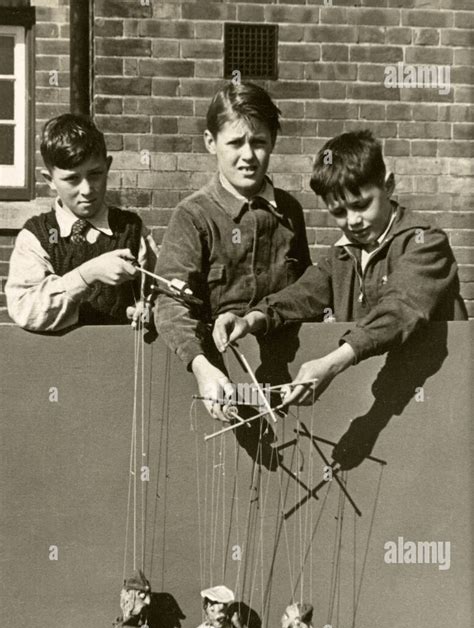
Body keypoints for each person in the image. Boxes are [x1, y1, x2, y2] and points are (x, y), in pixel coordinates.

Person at [213, 130, 467, 406]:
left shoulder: (425, 242)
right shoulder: (343, 254)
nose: (353, 220)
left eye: (361, 205)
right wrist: (251, 319)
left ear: (388, 185)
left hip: (439, 398)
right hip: (379, 399)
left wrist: (332, 363)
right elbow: (302, 294)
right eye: (339, 212)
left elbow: (400, 308)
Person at [153, 81, 311, 421]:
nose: (248, 156)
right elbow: (168, 302)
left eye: (259, 142)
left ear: (274, 142)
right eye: (235, 143)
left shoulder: (290, 212)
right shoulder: (193, 216)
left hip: (285, 386)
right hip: (215, 385)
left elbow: (306, 291)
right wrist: (201, 366)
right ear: (211, 142)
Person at [6, 114, 157, 332]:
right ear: (50, 180)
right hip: (58, 361)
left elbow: (160, 293)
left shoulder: (131, 230)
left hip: (121, 359)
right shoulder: (36, 237)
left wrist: (149, 308)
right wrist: (86, 274)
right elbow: (25, 309)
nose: (86, 190)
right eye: (72, 179)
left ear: (108, 167)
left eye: (95, 174)